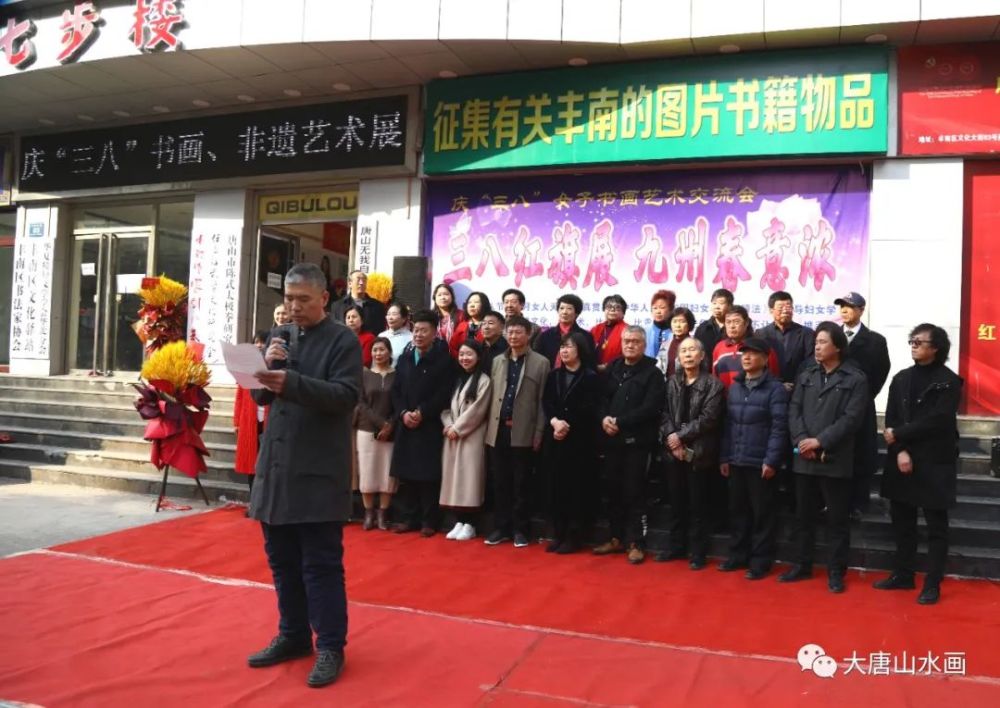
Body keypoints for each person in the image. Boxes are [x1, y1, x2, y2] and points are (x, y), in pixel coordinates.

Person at [247, 262, 361, 688]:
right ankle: (293, 635)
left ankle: (331, 644)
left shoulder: (342, 341)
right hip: (276, 470)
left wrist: (289, 380)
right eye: (289, 299)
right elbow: (262, 392)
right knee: (282, 563)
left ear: (324, 299)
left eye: (302, 300)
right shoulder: (282, 336)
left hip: (317, 471)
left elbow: (346, 395)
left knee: (320, 565)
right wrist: (265, 364)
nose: (293, 308)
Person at [876, 324, 962, 605]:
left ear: (935, 348)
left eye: (920, 342)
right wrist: (900, 449)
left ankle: (933, 583)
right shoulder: (901, 378)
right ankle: (903, 574)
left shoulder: (949, 381)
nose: (913, 346)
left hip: (935, 462)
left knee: (937, 527)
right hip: (903, 459)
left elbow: (938, 421)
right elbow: (891, 420)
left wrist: (900, 435)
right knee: (902, 521)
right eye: (911, 341)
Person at [780, 322, 869, 593]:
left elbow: (851, 419)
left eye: (822, 342)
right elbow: (794, 409)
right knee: (803, 517)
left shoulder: (855, 378)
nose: (817, 347)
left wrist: (820, 441)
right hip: (804, 457)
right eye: (816, 342)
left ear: (838, 347)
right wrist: (801, 440)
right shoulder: (807, 374)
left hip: (835, 459)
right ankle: (802, 564)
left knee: (837, 521)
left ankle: (835, 571)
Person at [593, 326, 666, 565]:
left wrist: (620, 422)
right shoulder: (613, 368)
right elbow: (602, 398)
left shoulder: (653, 373)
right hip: (611, 439)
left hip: (637, 442)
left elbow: (651, 407)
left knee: (634, 492)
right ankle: (615, 538)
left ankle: (636, 542)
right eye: (627, 341)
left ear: (644, 345)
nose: (630, 345)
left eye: (635, 341)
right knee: (612, 490)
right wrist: (604, 418)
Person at [718, 337, 789, 581]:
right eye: (743, 353)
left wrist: (771, 460)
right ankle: (737, 555)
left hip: (760, 463)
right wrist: (725, 456)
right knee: (737, 511)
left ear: (765, 358)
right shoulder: (736, 386)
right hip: (736, 459)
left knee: (762, 514)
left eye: (752, 353)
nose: (746, 357)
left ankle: (760, 561)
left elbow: (779, 428)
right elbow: (728, 424)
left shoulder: (775, 389)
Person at [658, 337, 724, 569]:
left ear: (702, 356)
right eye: (683, 351)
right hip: (673, 452)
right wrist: (672, 441)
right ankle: (676, 547)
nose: (687, 354)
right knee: (676, 502)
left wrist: (680, 437)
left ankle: (698, 552)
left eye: (692, 350)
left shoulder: (714, 385)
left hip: (699, 452)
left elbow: (708, 419)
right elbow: (664, 413)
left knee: (698, 504)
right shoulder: (671, 382)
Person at [484, 315, 551, 547]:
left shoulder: (541, 363)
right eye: (510, 332)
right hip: (498, 429)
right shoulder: (497, 361)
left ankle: (521, 529)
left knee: (521, 483)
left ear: (528, 334)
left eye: (518, 332)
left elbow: (543, 401)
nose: (513, 336)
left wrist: (539, 433)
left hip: (524, 431)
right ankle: (501, 528)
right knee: (499, 481)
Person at [388, 310, 456, 536]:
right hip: (406, 423)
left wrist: (422, 412)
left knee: (428, 475)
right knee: (406, 474)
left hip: (429, 423)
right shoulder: (406, 358)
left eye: (423, 330)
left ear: (435, 332)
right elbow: (396, 390)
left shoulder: (444, 359)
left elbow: (445, 392)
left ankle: (429, 521)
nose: (418, 335)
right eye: (415, 330)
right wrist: (403, 413)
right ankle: (408, 518)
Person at [541, 331, 602, 554]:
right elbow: (547, 402)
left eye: (569, 347)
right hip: (555, 438)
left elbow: (591, 407)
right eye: (562, 347)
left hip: (580, 441)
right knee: (556, 487)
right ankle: (558, 533)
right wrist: (555, 422)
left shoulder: (591, 377)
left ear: (581, 350)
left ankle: (574, 536)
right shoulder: (553, 375)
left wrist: (567, 424)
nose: (564, 351)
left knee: (577, 489)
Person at [836, 291, 891, 518]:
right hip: (833, 405)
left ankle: (859, 502)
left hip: (861, 405)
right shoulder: (830, 335)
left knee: (861, 453)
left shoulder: (875, 340)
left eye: (850, 306)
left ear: (861, 310)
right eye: (842, 306)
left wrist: (866, 394)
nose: (845, 310)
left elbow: (881, 371)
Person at [440, 340, 493, 542]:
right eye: (461, 354)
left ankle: (471, 523)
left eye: (469, 354)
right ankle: (459, 521)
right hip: (453, 435)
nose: (464, 358)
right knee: (456, 480)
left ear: (478, 357)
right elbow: (446, 408)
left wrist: (458, 428)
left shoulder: (484, 380)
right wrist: (448, 424)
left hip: (471, 436)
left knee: (470, 479)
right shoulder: (458, 379)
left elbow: (478, 410)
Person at [353, 337, 397, 531]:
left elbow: (401, 402)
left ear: (389, 352)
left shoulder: (397, 375)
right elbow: (361, 403)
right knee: (368, 471)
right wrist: (381, 423)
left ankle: (382, 514)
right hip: (366, 429)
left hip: (391, 431)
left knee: (387, 473)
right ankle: (368, 513)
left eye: (382, 350)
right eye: (375, 350)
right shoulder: (364, 375)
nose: (378, 353)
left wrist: (390, 425)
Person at [233, 332, 269, 501]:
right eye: (257, 342)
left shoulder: (274, 366)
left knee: (267, 462)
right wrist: (237, 422)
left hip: (269, 421)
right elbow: (239, 397)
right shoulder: (245, 369)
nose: (259, 345)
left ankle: (265, 501)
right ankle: (254, 501)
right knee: (251, 462)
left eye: (263, 342)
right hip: (250, 421)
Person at [757, 291, 815, 390]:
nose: (785, 311)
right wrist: (777, 385)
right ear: (771, 310)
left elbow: (811, 362)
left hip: (799, 388)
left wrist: (797, 384)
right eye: (780, 308)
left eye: (788, 307)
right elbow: (758, 364)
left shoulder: (807, 333)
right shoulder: (761, 334)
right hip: (768, 389)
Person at [712, 305, 780, 389]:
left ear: (746, 323)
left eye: (736, 322)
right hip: (724, 400)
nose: (732, 326)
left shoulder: (761, 346)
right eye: (728, 322)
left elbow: (773, 376)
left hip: (755, 398)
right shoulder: (719, 347)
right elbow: (715, 378)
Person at [533, 294, 596, 367]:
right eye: (561, 308)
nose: (564, 312)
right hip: (549, 376)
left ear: (576, 313)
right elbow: (538, 359)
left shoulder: (585, 336)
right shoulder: (546, 335)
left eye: (569, 308)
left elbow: (590, 362)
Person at [331, 270, 387, 335]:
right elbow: (334, 330)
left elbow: (381, 331)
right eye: (358, 280)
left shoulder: (377, 306)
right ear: (350, 283)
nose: (361, 283)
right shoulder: (337, 306)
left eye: (364, 280)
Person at [590, 294, 628, 372]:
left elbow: (628, 354)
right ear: (604, 310)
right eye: (608, 307)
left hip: (616, 373)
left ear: (623, 313)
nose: (612, 310)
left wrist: (606, 367)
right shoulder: (595, 329)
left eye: (617, 307)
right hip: (593, 373)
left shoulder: (628, 330)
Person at [449, 291, 492, 356]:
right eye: (469, 302)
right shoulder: (462, 325)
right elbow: (452, 347)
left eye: (476, 302)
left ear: (484, 304)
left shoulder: (491, 325)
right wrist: (462, 358)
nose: (472, 305)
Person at [694, 288, 733, 358]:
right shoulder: (702, 328)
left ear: (730, 306)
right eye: (714, 303)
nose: (717, 307)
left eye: (721, 304)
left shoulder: (734, 328)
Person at [644, 289, 677, 368]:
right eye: (655, 308)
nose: (658, 311)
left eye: (662, 308)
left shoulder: (676, 332)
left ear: (671, 310)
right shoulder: (644, 332)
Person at [660, 306, 696, 376]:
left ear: (689, 324)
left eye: (682, 322)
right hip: (667, 385)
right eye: (675, 321)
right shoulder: (665, 344)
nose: (678, 325)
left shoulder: (695, 345)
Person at [378, 302, 413, 367]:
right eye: (388, 314)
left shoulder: (411, 338)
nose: (390, 318)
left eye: (394, 314)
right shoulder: (381, 336)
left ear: (404, 318)